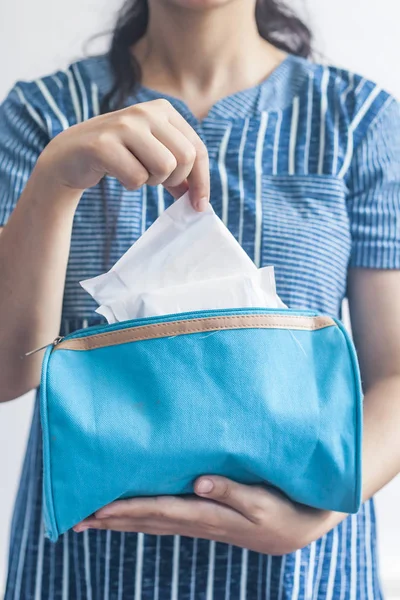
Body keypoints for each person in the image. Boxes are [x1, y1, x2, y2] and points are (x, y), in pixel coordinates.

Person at [1, 0, 399, 597]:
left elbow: (396, 370)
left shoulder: (359, 119)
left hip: (301, 572)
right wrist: (57, 180)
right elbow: (6, 371)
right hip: (86, 572)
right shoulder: (42, 115)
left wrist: (319, 512)